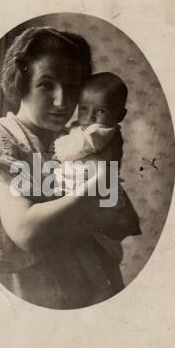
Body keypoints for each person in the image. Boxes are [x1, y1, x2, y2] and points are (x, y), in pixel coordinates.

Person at [0, 26, 141, 310]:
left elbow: (122, 222)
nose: (62, 101)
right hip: (33, 300)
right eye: (46, 84)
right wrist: (95, 187)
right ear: (22, 82)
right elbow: (28, 232)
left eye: (72, 87)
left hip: (93, 294)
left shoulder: (76, 139)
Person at [52, 72, 135, 303]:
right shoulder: (84, 127)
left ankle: (103, 286)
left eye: (100, 111)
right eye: (84, 108)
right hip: (86, 189)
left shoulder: (102, 132)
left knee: (83, 243)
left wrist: (58, 140)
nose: (89, 118)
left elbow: (74, 149)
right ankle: (101, 284)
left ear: (120, 115)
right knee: (79, 245)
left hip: (98, 195)